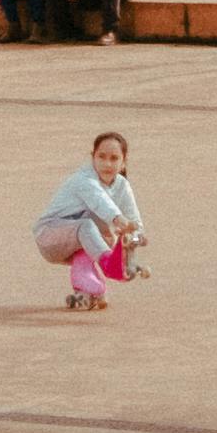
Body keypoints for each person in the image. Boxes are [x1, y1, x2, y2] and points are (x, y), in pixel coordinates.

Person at [31, 130, 142, 312]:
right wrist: (119, 220)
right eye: (101, 157)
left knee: (105, 234)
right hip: (50, 236)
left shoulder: (122, 186)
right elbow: (100, 201)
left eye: (114, 158)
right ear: (93, 157)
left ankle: (85, 293)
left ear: (123, 163)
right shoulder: (83, 179)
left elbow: (135, 223)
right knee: (89, 225)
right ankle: (107, 264)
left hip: (81, 239)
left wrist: (131, 245)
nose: (107, 163)